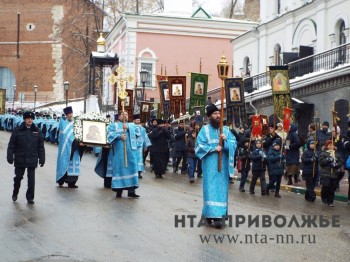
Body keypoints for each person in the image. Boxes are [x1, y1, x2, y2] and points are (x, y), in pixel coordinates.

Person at [195, 104, 237, 228]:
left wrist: (225, 141)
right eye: (215, 114)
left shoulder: (226, 130)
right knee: (210, 189)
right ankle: (211, 215)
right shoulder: (205, 130)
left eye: (219, 113)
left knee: (222, 189)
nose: (218, 115)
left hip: (222, 166)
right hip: (209, 166)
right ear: (209, 116)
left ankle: (220, 215)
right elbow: (198, 146)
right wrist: (213, 148)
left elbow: (234, 144)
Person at [7, 111, 45, 204]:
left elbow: (41, 146)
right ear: (24, 119)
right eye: (28, 118)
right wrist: (10, 156)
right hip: (20, 158)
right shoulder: (17, 130)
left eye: (31, 118)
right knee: (18, 177)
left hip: (32, 158)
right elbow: (11, 145)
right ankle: (15, 192)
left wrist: (42, 158)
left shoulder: (37, 131)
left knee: (31, 180)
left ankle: (30, 197)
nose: (30, 120)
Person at [107, 111, 140, 198]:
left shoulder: (132, 125)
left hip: (131, 152)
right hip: (119, 153)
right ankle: (119, 191)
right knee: (119, 170)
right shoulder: (114, 125)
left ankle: (131, 191)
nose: (125, 115)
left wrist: (128, 127)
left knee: (132, 169)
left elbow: (138, 133)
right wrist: (119, 136)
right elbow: (109, 134)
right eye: (123, 114)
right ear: (119, 116)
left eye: (126, 114)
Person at [56, 106, 84, 188]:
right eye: (68, 114)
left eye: (71, 113)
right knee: (66, 163)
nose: (70, 115)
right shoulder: (63, 124)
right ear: (66, 115)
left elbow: (80, 134)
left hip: (76, 149)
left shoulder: (76, 123)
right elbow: (64, 137)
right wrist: (76, 142)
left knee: (75, 164)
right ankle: (63, 179)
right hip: (67, 149)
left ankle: (72, 182)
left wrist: (82, 142)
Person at [319, 140, 342, 207]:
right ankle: (324, 196)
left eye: (332, 145)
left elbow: (340, 163)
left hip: (334, 174)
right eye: (329, 145)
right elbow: (322, 163)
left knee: (332, 188)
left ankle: (330, 201)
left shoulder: (337, 154)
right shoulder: (323, 153)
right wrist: (328, 159)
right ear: (327, 146)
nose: (331, 146)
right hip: (326, 173)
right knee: (326, 186)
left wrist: (335, 165)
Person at [133, 114, 152, 178]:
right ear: (134, 121)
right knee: (133, 159)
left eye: (139, 120)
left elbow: (145, 137)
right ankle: (133, 172)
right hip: (132, 146)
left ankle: (139, 172)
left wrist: (145, 146)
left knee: (140, 159)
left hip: (140, 147)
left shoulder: (143, 129)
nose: (138, 121)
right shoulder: (131, 128)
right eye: (137, 120)